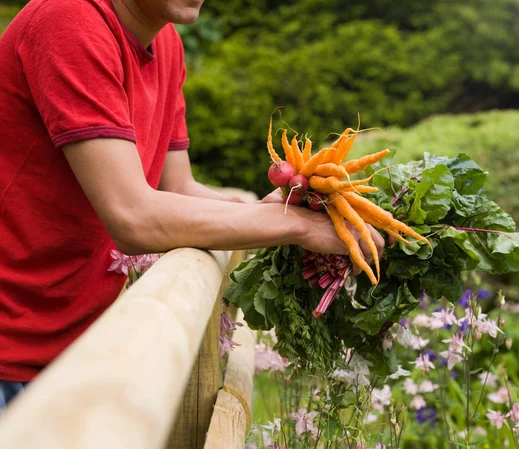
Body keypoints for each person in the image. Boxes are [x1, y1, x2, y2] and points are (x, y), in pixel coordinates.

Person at [0, 0, 384, 411]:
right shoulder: (68, 21)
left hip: (75, 346)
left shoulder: (166, 44)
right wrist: (299, 228)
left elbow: (178, 186)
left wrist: (287, 208)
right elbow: (132, 218)